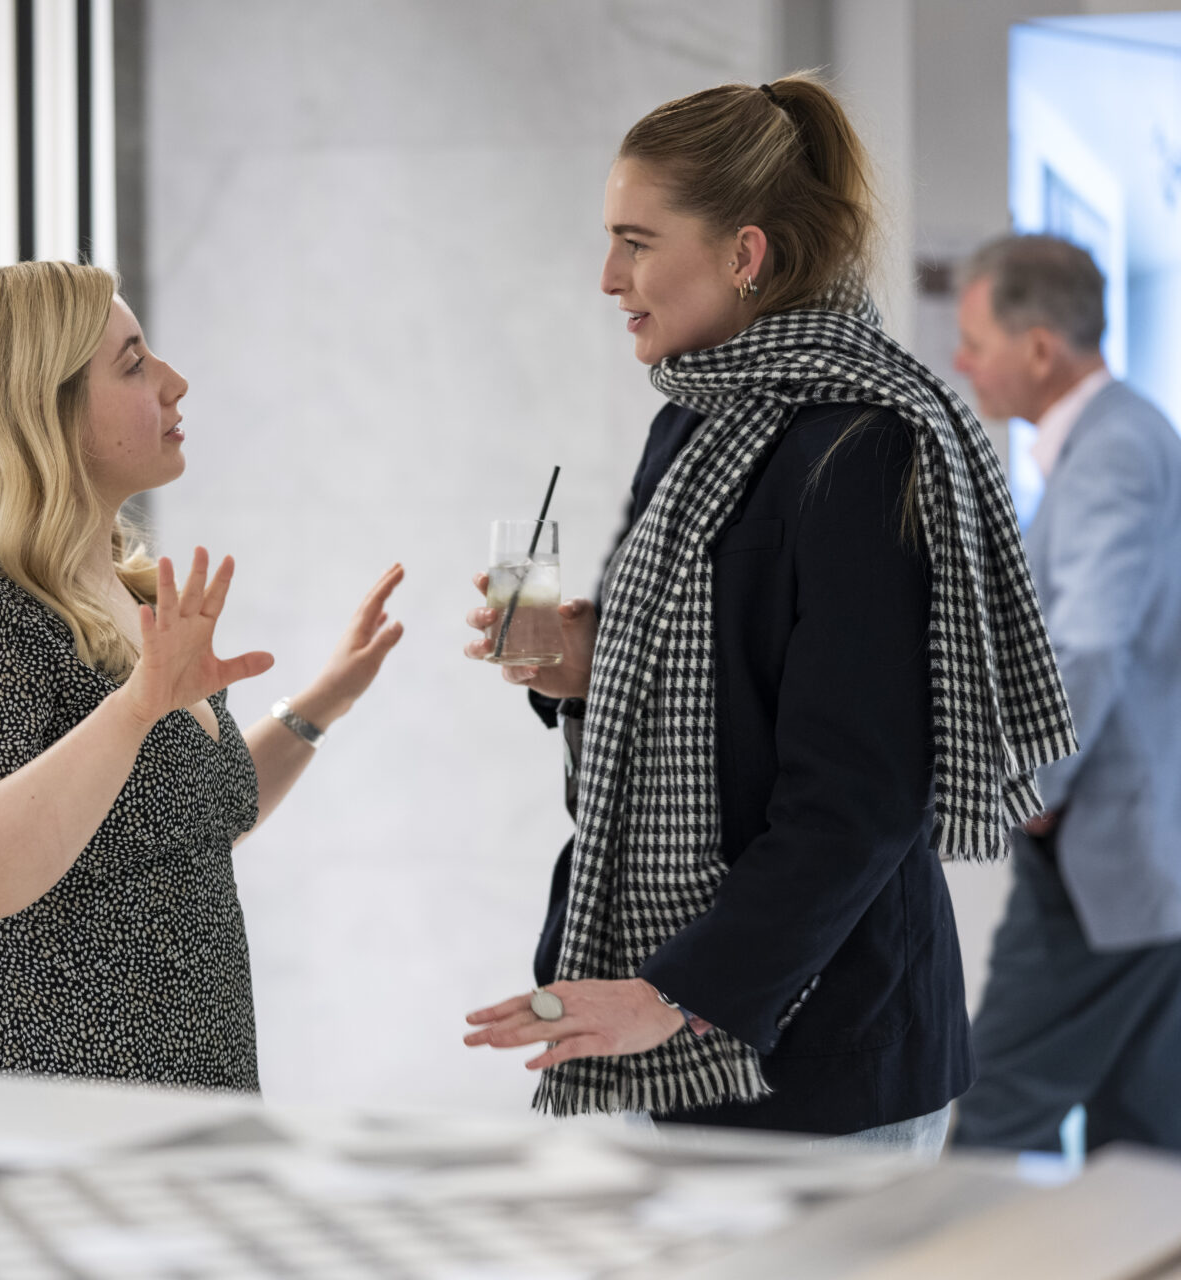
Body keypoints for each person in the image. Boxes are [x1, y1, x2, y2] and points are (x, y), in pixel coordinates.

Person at [460, 75, 1076, 1152]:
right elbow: (722, 684)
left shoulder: (866, 445)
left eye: (636, 243)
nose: (609, 277)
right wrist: (587, 666)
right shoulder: (693, 422)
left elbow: (862, 797)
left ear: (745, 255)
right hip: (660, 1025)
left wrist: (675, 993)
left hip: (826, 1051)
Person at [0, 261, 405, 1092]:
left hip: (174, 1096)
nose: (175, 383)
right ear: (43, 409)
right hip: (28, 1102)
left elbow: (179, 825)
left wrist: (326, 701)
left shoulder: (129, 600)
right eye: (135, 364)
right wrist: (138, 707)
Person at [948, 234, 1181, 1155]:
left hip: (1107, 859)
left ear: (1038, 348)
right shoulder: (1127, 435)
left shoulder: (1112, 452)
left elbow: (1090, 645)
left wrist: (1026, 786)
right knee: (1138, 1150)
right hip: (1149, 863)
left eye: (975, 341)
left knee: (989, 1135)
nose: (962, 361)